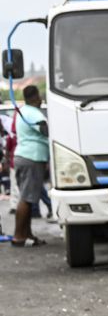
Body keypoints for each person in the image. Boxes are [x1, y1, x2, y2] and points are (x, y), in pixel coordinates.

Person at [11, 85, 49, 246]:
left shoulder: (23, 111)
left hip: (23, 156)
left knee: (27, 197)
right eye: (39, 96)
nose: (41, 100)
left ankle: (27, 234)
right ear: (35, 97)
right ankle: (19, 236)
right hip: (31, 157)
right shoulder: (33, 113)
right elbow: (45, 130)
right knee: (27, 199)